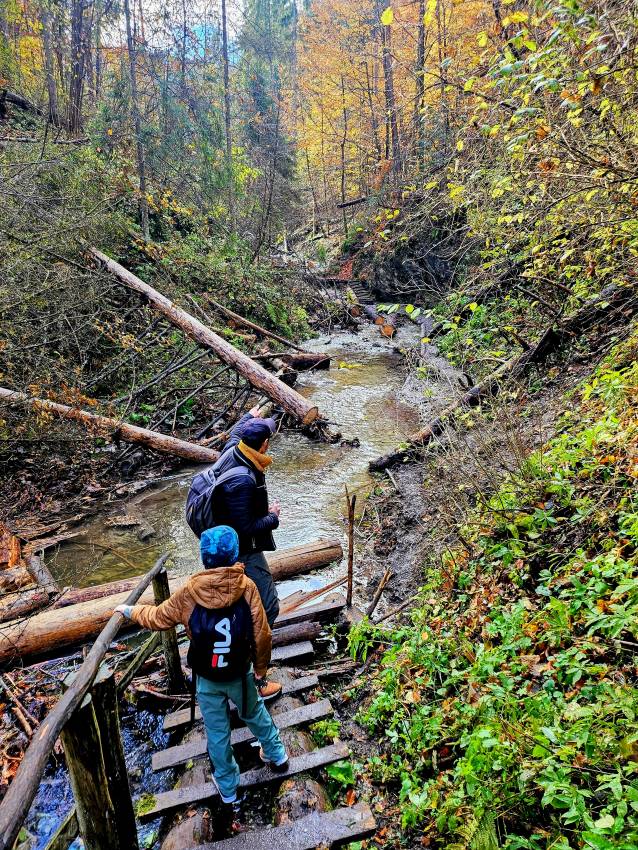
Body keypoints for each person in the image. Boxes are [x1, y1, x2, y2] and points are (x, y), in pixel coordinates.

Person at [115, 525, 288, 826]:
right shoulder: (246, 587)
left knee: (217, 733)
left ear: (204, 559)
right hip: (240, 672)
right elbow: (262, 634)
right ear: (235, 554)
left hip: (207, 678)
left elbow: (157, 618)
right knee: (254, 713)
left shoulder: (189, 594)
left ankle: (228, 789)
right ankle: (276, 754)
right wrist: (260, 669)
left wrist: (129, 611)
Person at [205, 406, 283, 699]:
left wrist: (249, 416)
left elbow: (238, 430)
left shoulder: (234, 449)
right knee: (268, 607)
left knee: (236, 608)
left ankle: (237, 664)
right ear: (263, 445)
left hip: (223, 548)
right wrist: (273, 516)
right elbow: (245, 526)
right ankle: (253, 678)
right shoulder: (243, 480)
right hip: (242, 552)